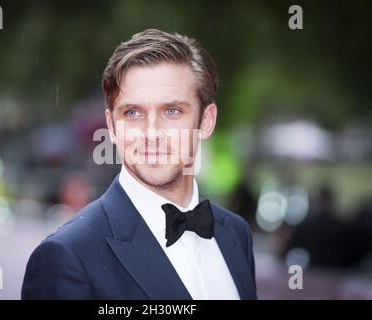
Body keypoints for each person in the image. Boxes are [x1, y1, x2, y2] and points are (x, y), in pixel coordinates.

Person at [21, 29, 257, 300]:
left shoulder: (236, 233)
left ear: (206, 121)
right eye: (133, 113)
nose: (152, 133)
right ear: (111, 126)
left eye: (172, 111)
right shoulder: (67, 256)